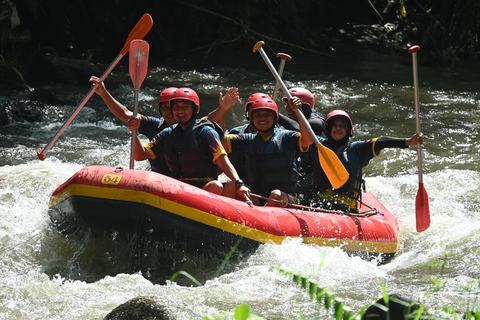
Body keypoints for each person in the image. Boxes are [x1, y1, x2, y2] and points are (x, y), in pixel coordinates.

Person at [89, 76, 239, 173]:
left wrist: (224, 108)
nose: (170, 112)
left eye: (176, 107)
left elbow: (214, 118)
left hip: (189, 180)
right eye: (165, 108)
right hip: (159, 178)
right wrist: (104, 93)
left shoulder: (197, 127)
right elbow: (126, 115)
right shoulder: (155, 125)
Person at [132, 87, 250, 200]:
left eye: (185, 107)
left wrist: (239, 183)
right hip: (176, 186)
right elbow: (140, 155)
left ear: (195, 110)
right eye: (176, 107)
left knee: (216, 186)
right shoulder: (167, 132)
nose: (180, 111)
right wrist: (135, 132)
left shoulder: (206, 132)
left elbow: (223, 161)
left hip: (202, 187)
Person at [307, 109, 423, 213]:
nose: (338, 128)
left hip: (346, 207)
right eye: (335, 125)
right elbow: (301, 134)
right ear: (328, 128)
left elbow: (381, 142)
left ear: (348, 130)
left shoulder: (356, 149)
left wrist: (408, 142)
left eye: (342, 126)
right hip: (319, 203)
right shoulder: (318, 145)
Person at [223, 95, 315, 207]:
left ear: (275, 118)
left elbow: (309, 140)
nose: (262, 118)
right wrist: (223, 110)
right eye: (258, 115)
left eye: (267, 115)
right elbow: (219, 140)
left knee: (276, 195)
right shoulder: (248, 139)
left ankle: (259, 217)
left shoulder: (287, 137)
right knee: (231, 184)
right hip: (258, 196)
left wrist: (298, 112)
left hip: (285, 198)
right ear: (252, 119)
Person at [279, 88, 325, 192]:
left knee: (294, 188)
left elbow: (303, 132)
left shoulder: (316, 122)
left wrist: (276, 115)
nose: (289, 109)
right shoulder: (290, 124)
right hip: (299, 170)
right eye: (287, 106)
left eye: (292, 106)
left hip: (316, 173)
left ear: (307, 108)